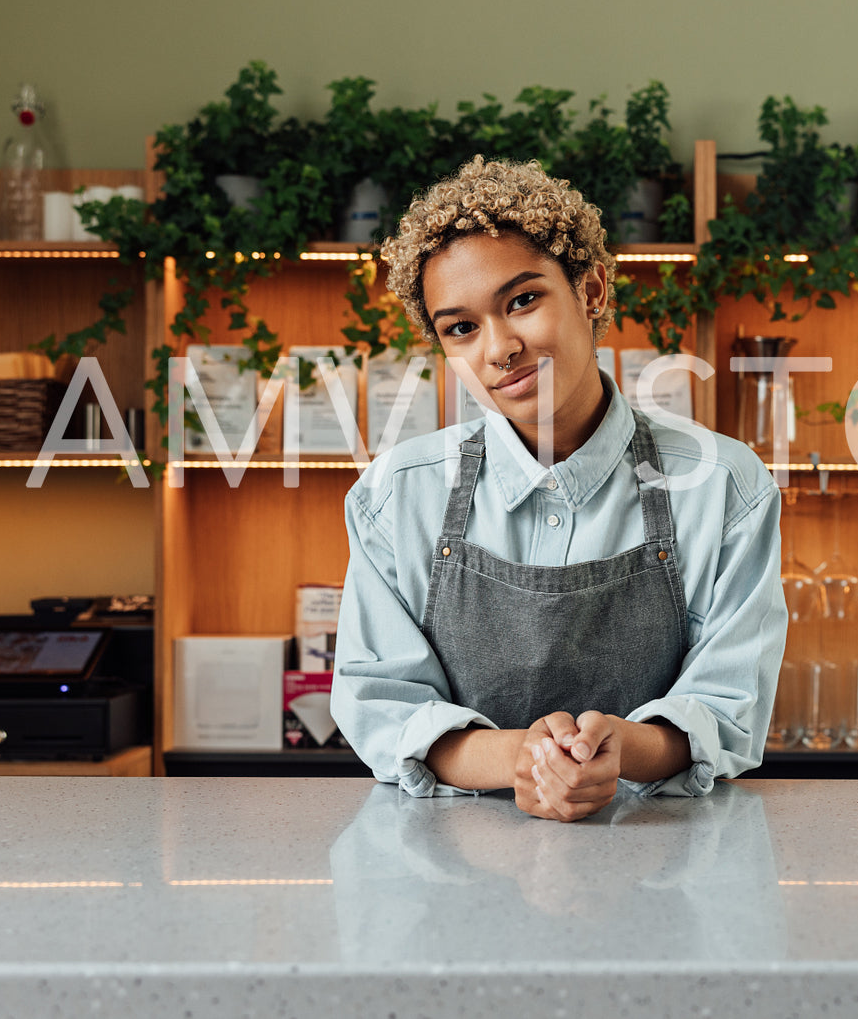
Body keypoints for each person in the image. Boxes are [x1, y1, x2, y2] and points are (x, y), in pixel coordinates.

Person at [331, 156, 786, 822]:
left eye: (521, 300)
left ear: (592, 290)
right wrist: (522, 757)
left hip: (662, 857)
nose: (499, 347)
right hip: (451, 869)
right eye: (461, 327)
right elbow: (384, 705)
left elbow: (728, 704)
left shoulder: (724, 484)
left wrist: (619, 749)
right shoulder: (396, 494)